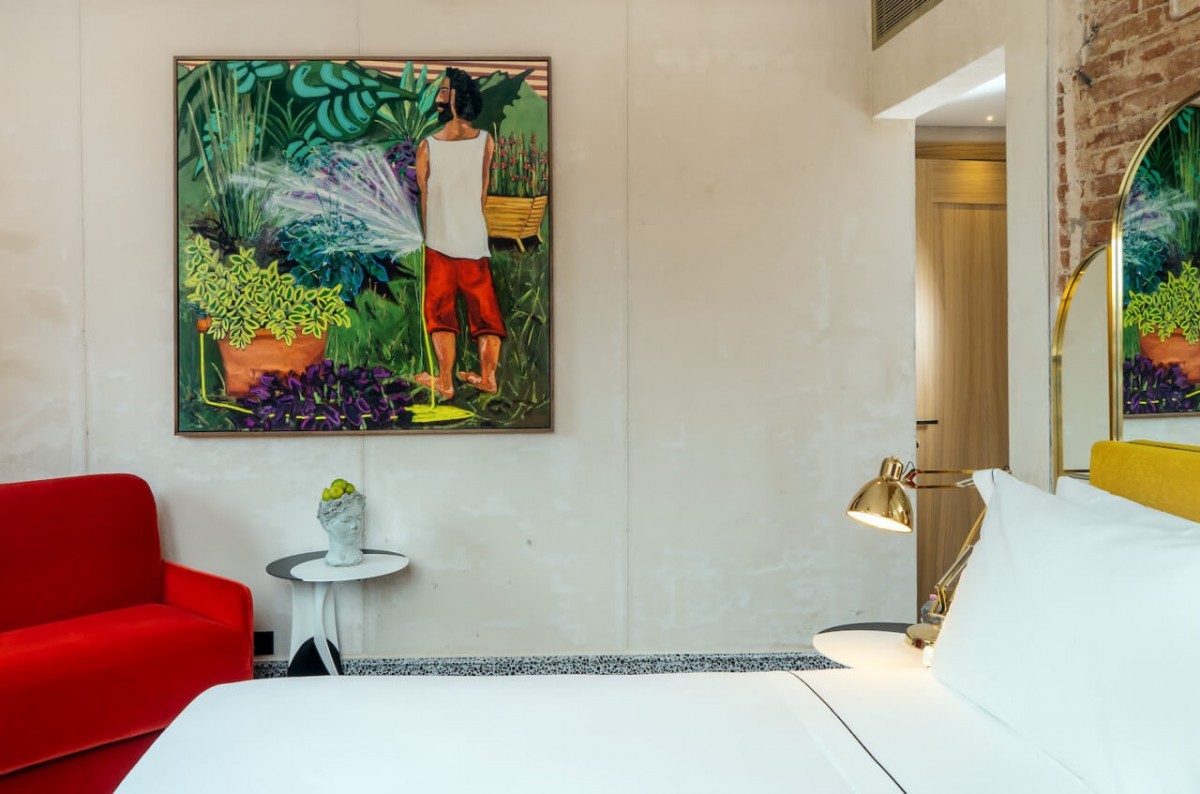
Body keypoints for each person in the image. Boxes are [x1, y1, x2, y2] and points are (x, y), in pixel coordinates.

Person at [413, 67, 505, 400]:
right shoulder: (486, 141)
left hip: (439, 243)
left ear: (456, 96)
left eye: (443, 90)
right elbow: (482, 193)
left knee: (440, 312)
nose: (438, 96)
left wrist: (429, 234)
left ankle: (445, 382)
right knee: (485, 312)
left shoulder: (427, 147)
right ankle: (488, 378)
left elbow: (425, 198)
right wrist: (470, 224)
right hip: (474, 242)